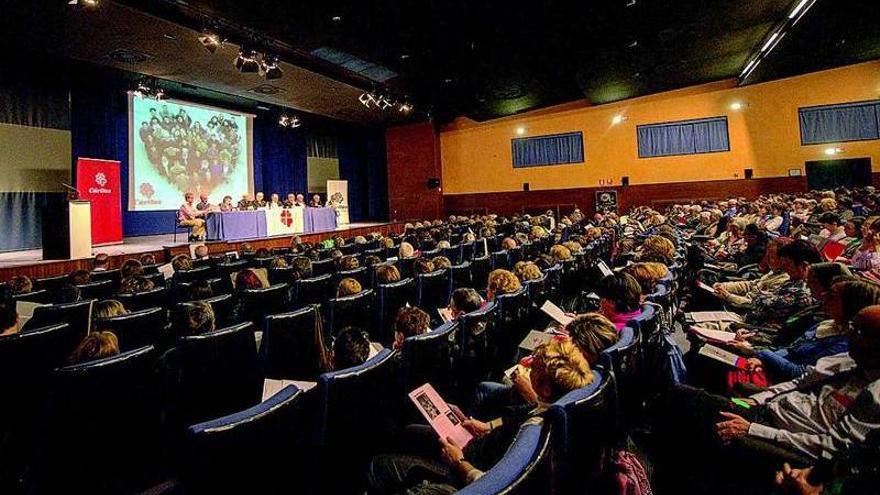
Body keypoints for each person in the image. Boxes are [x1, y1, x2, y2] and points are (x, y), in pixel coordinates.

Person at [367, 339, 592, 494]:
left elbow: (500, 480)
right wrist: (486, 426)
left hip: (467, 467)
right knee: (410, 432)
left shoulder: (534, 431)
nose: (528, 368)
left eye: (534, 369)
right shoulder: (546, 408)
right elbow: (511, 420)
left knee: (381, 465)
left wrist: (459, 462)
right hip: (478, 443)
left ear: (545, 389)